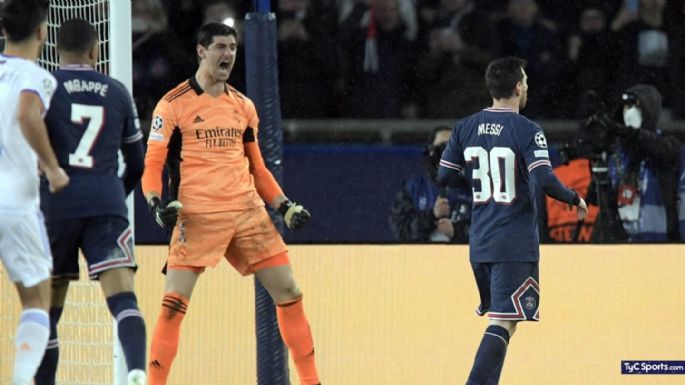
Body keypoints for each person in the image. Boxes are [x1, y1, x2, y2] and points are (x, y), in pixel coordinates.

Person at [141, 23, 320, 385]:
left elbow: (258, 168)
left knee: (290, 292)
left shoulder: (243, 106)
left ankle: (311, 382)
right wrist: (156, 203)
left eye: (233, 48)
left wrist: (285, 206)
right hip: (198, 215)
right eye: (220, 47)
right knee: (174, 306)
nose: (228, 55)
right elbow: (153, 164)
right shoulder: (172, 105)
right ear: (201, 51)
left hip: (246, 212)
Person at [437, 56, 588, 384]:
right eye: (527, 82)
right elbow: (545, 180)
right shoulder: (527, 130)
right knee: (503, 323)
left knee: (503, 321)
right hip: (513, 241)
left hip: (479, 241)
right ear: (518, 87)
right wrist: (574, 198)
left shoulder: (465, 127)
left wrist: (480, 177)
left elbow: (444, 176)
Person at [32, 19, 147, 385]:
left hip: (56, 206)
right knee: (123, 299)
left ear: (55, 49)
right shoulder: (117, 91)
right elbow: (139, 163)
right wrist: (114, 195)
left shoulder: (43, 89)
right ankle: (137, 372)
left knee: (46, 312)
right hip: (106, 204)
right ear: (96, 50)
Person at [0, 1, 69, 384]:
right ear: (43, 32)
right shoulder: (36, 75)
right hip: (14, 205)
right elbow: (27, 114)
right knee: (37, 303)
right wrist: (52, 166)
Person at [592, 84, 683, 242]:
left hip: (662, 250)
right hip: (624, 251)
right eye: (627, 105)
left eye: (636, 105)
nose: (630, 111)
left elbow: (660, 148)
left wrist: (623, 131)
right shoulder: (616, 155)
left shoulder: (669, 148)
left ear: (650, 109)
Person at [389, 125, 471, 243]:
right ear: (431, 151)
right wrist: (431, 216)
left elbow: (490, 231)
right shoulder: (415, 188)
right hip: (420, 258)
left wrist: (456, 231)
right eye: (442, 147)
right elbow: (400, 229)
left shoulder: (474, 188)